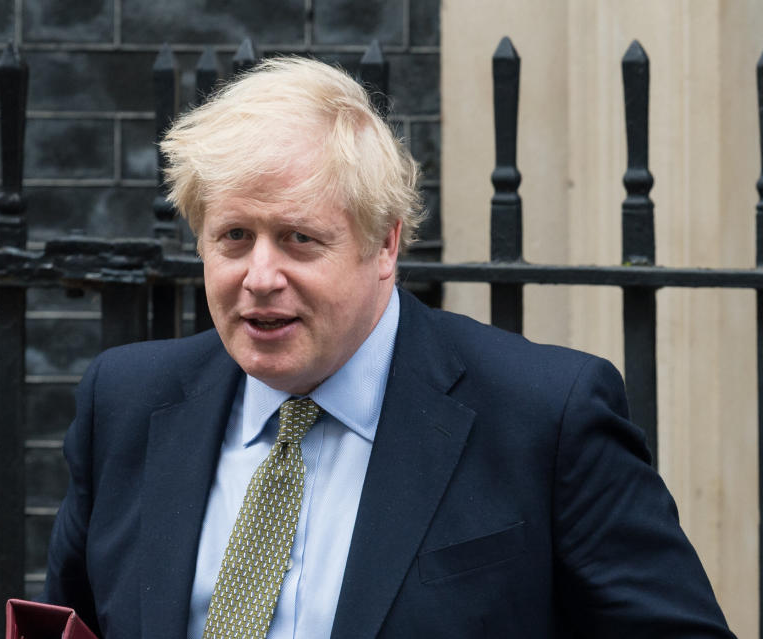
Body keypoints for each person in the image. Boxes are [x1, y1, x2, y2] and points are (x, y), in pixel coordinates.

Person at [42, 57, 734, 638]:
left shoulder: (544, 417)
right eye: (233, 237)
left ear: (386, 243)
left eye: (298, 239)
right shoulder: (126, 403)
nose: (258, 277)